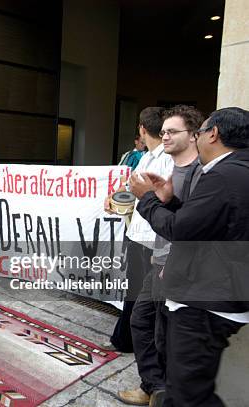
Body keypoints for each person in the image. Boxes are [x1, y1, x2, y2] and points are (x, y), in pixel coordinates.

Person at [130, 107, 249, 407]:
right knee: (184, 386)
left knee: (189, 394)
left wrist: (146, 200)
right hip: (211, 293)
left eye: (198, 132)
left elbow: (182, 230)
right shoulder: (236, 172)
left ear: (213, 134)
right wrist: (169, 202)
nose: (167, 136)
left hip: (205, 300)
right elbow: (204, 224)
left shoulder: (223, 174)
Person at [117, 105, 203, 406]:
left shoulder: (198, 173)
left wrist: (153, 200)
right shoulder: (171, 167)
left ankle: (160, 391)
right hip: (161, 259)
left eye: (172, 131)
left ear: (194, 135)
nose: (165, 135)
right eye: (163, 130)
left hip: (176, 267)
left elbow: (190, 228)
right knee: (143, 322)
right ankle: (154, 386)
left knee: (161, 331)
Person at [103, 107, 174, 353]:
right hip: (138, 234)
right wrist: (114, 201)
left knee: (146, 298)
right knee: (134, 293)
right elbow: (131, 190)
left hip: (152, 239)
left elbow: (159, 199)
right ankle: (125, 340)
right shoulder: (146, 157)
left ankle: (130, 342)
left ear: (142, 129)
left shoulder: (166, 159)